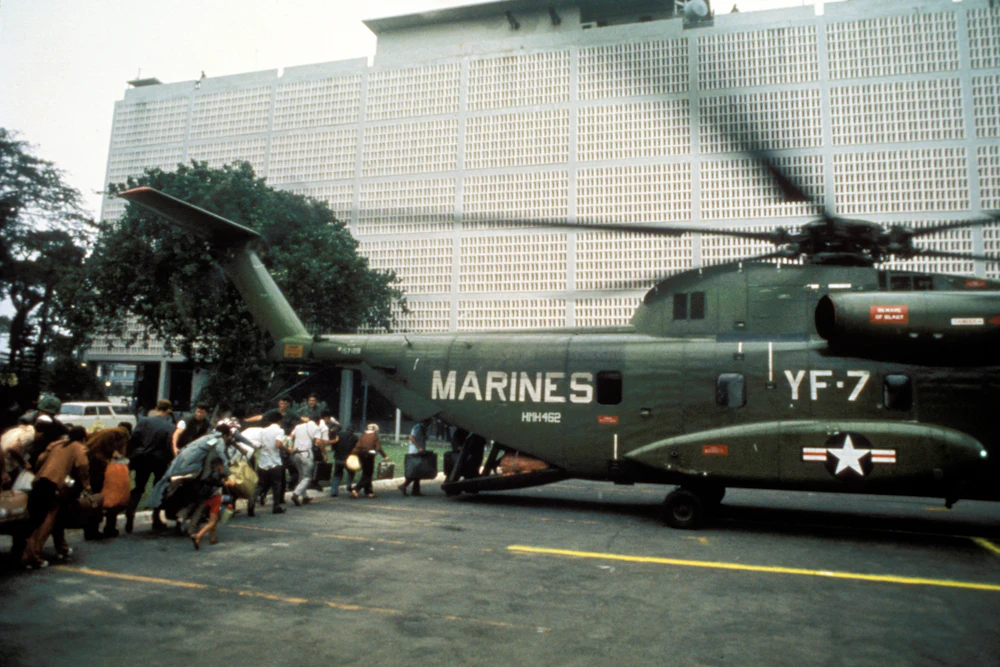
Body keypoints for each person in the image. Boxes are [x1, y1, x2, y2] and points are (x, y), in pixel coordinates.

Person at [21, 426, 93, 569]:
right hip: (54, 484)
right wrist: (87, 486)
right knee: (48, 519)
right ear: (83, 437)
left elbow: (40, 459)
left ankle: (61, 547)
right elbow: (83, 466)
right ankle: (33, 556)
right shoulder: (78, 447)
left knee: (41, 518)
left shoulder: (56, 444)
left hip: (39, 480)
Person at [125, 399, 175, 533]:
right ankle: (156, 518)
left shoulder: (144, 421)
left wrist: (132, 455)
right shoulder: (169, 427)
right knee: (157, 489)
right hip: (159, 460)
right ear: (169, 410)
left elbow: (133, 439)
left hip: (142, 459)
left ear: (156, 408)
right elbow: (169, 447)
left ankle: (130, 515)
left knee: (138, 488)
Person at [82, 427, 129, 539]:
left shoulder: (95, 446)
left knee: (95, 498)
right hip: (98, 473)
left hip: (95, 472)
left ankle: (92, 529)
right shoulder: (107, 449)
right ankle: (105, 528)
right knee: (105, 498)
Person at [190, 456, 235, 550]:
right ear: (219, 466)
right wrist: (227, 483)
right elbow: (217, 482)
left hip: (207, 498)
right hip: (215, 499)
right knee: (212, 521)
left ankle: (212, 538)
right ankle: (198, 535)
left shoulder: (210, 474)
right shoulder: (216, 475)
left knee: (215, 519)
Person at [244, 417, 288, 513]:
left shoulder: (263, 431)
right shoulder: (280, 431)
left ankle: (252, 502)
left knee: (261, 484)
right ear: (279, 421)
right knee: (276, 484)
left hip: (263, 462)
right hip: (275, 462)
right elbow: (278, 444)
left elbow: (258, 445)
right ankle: (276, 506)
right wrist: (288, 449)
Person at [23, 395, 68, 469]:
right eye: (45, 413)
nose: (47, 416)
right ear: (39, 410)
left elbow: (67, 434)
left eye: (51, 414)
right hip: (24, 457)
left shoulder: (57, 424)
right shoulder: (26, 421)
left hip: (42, 458)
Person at [351, 423, 388, 499]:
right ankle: (356, 489)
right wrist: (385, 456)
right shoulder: (375, 436)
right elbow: (378, 448)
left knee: (365, 472)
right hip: (369, 456)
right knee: (368, 474)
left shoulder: (363, 436)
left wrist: (352, 455)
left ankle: (369, 491)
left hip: (360, 455)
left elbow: (357, 446)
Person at [289, 415, 320, 506]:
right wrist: (324, 452)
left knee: (301, 474)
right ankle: (296, 494)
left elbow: (290, 437)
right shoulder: (316, 428)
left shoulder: (298, 426)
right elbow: (318, 441)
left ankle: (305, 496)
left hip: (296, 453)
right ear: (318, 421)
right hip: (306, 453)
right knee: (307, 477)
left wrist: (290, 447)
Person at [399, 418, 432, 497]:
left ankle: (416, 490)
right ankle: (404, 485)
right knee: (415, 471)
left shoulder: (423, 428)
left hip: (419, 451)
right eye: (429, 421)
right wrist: (419, 447)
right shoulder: (418, 427)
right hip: (415, 451)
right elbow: (412, 437)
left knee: (418, 472)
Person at [330, 424, 358, 498]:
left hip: (338, 458)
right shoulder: (355, 438)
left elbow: (333, 446)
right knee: (351, 472)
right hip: (349, 459)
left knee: (337, 474)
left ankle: (334, 491)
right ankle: (349, 486)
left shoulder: (338, 435)